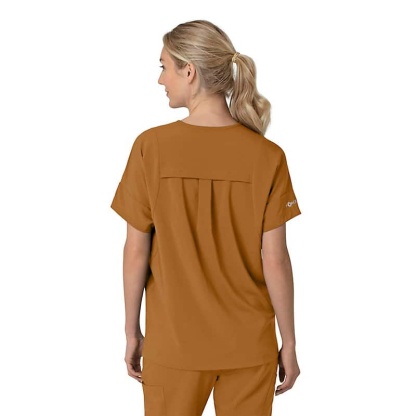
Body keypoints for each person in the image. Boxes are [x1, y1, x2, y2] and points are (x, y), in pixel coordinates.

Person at [111, 19, 301, 416]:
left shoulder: (150, 148)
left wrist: (132, 332)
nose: (160, 79)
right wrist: (289, 342)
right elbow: (276, 260)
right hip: (249, 347)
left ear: (189, 71)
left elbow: (135, 252)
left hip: (173, 346)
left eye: (164, 67)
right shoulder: (267, 157)